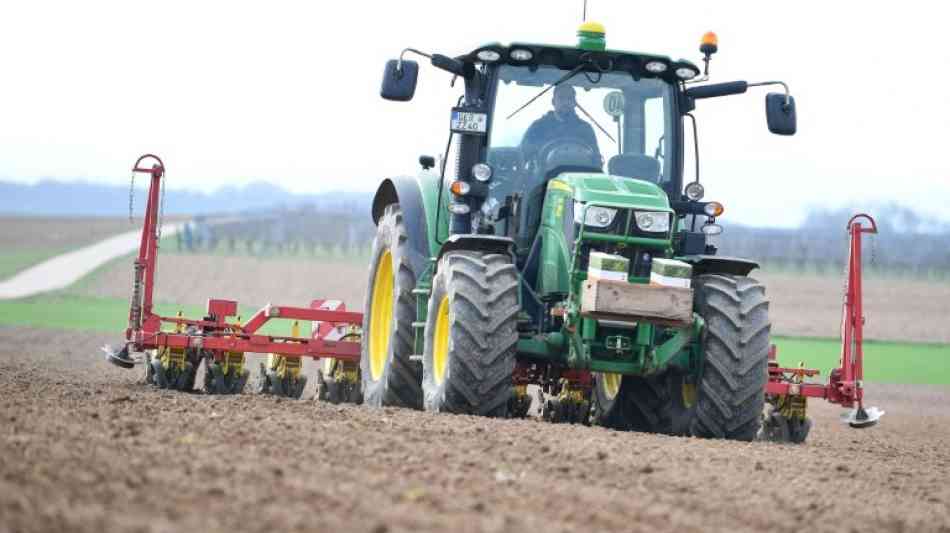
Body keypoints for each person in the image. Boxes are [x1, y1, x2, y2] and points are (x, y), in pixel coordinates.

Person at [520, 84, 601, 165]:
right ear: (553, 101)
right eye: (561, 98)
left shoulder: (585, 129)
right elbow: (521, 158)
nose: (565, 102)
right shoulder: (538, 127)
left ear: (575, 103)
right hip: (544, 177)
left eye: (569, 98)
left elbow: (596, 161)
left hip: (578, 176)